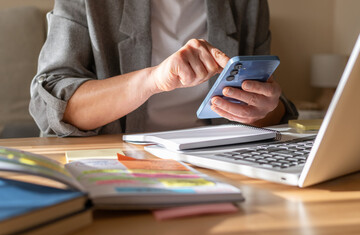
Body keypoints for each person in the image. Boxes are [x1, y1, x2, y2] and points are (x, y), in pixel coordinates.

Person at [29, 0, 298, 137]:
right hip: (119, 159)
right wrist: (154, 80)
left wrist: (263, 109)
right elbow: (49, 103)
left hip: (219, 158)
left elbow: (272, 110)